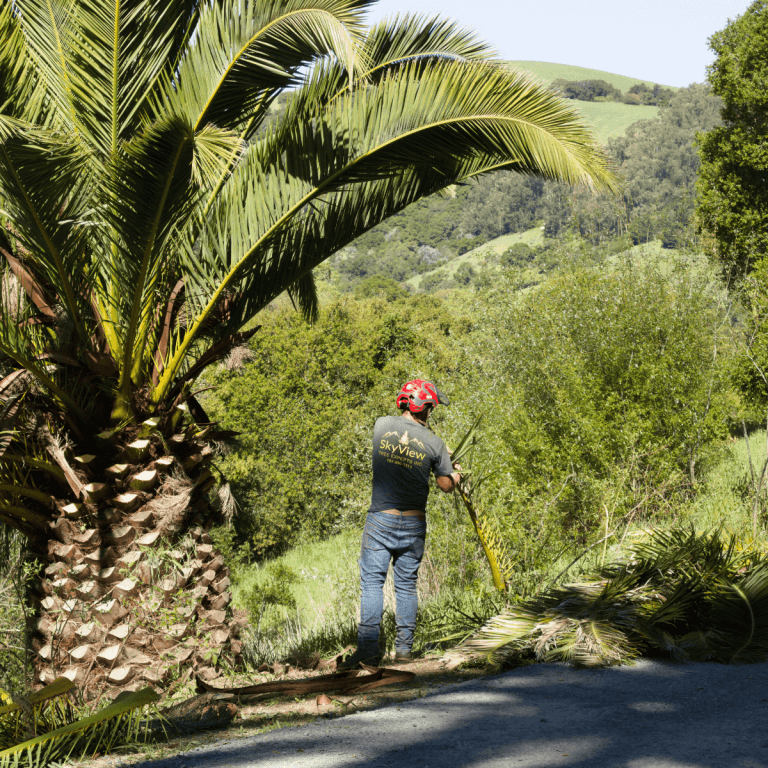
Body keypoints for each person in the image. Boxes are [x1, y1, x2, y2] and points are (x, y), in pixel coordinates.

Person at [340, 379, 462, 669]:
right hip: (413, 524)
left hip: (381, 519)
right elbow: (445, 485)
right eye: (431, 407)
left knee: (372, 584)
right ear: (426, 407)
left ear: (404, 402)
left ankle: (368, 650)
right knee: (406, 586)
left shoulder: (381, 425)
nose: (431, 412)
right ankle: (404, 651)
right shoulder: (435, 443)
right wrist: (455, 474)